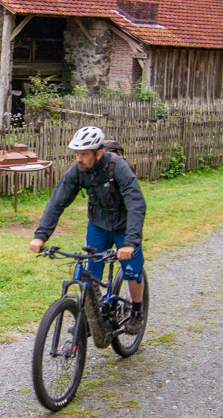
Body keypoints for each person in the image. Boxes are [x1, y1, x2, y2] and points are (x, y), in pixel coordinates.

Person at [29, 126, 146, 332]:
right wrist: (41, 236)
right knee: (87, 272)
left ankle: (137, 311)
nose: (79, 158)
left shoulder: (117, 167)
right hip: (98, 224)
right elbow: (58, 201)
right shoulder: (78, 171)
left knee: (131, 270)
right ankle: (93, 314)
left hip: (124, 225)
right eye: (77, 153)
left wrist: (130, 242)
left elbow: (136, 203)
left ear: (98, 153)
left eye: (84, 154)